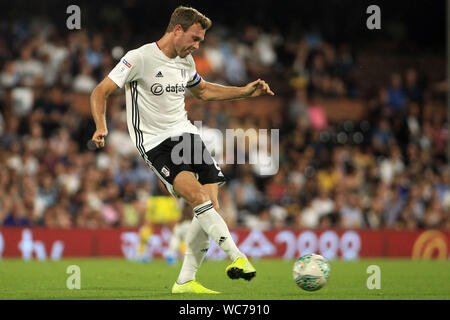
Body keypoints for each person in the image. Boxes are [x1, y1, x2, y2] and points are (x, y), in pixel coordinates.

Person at [90, 6, 274, 294]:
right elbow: (100, 91)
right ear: (177, 30)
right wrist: (101, 126)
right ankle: (238, 257)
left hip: (187, 135)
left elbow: (203, 91)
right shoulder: (138, 58)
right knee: (197, 197)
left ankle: (185, 281)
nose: (197, 46)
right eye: (194, 38)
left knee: (210, 207)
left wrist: (244, 91)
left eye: (200, 41)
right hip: (155, 142)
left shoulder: (186, 61)